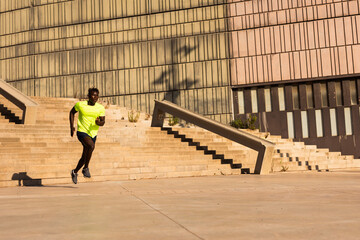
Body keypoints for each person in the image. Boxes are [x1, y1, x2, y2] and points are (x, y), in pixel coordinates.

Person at [69, 87, 105, 184]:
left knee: (84, 156)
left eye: (96, 95)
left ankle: (75, 171)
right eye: (93, 95)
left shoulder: (100, 108)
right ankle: (85, 168)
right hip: (82, 131)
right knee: (91, 146)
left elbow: (103, 122)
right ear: (88, 96)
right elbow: (72, 112)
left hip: (93, 133)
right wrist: (71, 126)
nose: (95, 97)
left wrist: (98, 122)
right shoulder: (80, 105)